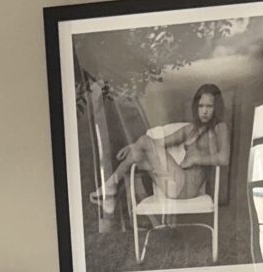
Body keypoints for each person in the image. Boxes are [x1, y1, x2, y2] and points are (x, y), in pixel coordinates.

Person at [90, 82, 231, 217]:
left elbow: (224, 159)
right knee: (138, 155)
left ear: (216, 107)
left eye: (209, 106)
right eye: (201, 106)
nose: (204, 111)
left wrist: (195, 159)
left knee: (144, 142)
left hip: (187, 187)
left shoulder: (220, 127)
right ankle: (111, 194)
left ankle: (111, 187)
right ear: (196, 107)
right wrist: (133, 146)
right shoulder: (191, 129)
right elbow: (160, 142)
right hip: (174, 185)